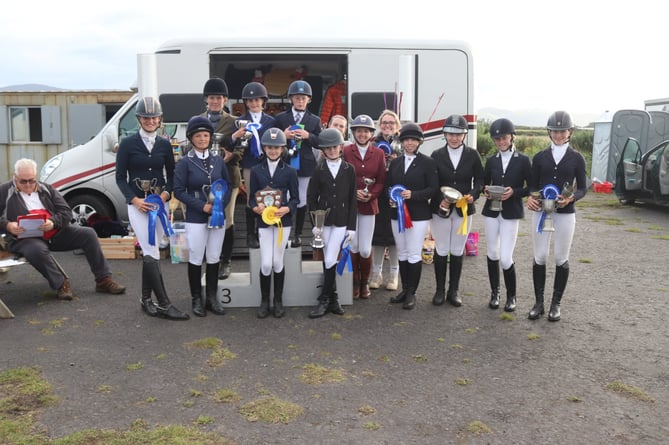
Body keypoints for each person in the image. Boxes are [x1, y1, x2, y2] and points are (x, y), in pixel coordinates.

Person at [0, 158, 126, 300]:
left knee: (88, 233)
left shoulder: (47, 189)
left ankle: (103, 280)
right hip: (24, 238)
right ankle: (61, 284)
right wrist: (8, 225)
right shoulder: (4, 191)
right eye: (23, 181)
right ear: (14, 177)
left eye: (32, 180)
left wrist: (53, 222)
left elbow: (66, 212)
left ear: (36, 177)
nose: (28, 185)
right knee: (36, 249)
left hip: (54, 233)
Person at [115, 96, 189, 320]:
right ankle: (164, 304)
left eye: (154, 117)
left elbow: (172, 173)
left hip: (159, 203)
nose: (150, 121)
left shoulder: (165, 144)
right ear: (139, 119)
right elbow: (120, 177)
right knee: (150, 251)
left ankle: (146, 299)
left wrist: (166, 193)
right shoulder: (127, 144)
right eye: (146, 117)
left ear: (160, 119)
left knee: (153, 250)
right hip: (138, 205)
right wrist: (134, 200)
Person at [526, 111, 587, 322]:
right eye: (555, 131)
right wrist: (531, 198)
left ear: (569, 132)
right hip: (542, 212)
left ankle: (556, 304)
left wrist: (571, 199)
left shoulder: (577, 158)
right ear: (549, 132)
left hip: (565, 214)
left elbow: (583, 189)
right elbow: (532, 185)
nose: (559, 135)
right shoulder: (540, 157)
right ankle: (539, 303)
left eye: (563, 131)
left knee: (561, 258)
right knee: (540, 256)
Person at [174, 116, 232, 317]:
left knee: (214, 256)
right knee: (197, 257)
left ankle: (212, 298)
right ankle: (196, 298)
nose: (202, 139)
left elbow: (228, 185)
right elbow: (179, 191)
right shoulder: (185, 163)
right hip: (196, 216)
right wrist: (202, 206)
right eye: (198, 136)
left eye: (206, 135)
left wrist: (221, 205)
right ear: (191, 138)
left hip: (217, 215)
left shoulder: (218, 160)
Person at [430, 114, 484, 308]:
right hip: (441, 208)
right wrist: (440, 201)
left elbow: (479, 180)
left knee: (457, 249)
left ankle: (454, 290)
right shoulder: (436, 155)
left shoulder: (472, 154)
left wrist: (473, 194)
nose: (454, 137)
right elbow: (432, 182)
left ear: (464, 134)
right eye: (451, 133)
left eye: (458, 134)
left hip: (463, 208)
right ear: (444, 134)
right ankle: (439, 290)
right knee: (442, 249)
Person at [481, 118, 532, 312]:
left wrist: (515, 192)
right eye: (497, 139)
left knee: (505, 257)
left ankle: (512, 296)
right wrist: (485, 190)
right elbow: (484, 183)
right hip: (491, 212)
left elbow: (531, 187)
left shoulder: (524, 160)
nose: (501, 141)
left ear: (512, 137)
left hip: (511, 212)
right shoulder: (491, 160)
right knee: (492, 253)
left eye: (504, 138)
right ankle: (495, 293)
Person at [386, 123, 438, 310]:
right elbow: (389, 186)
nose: (409, 143)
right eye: (406, 140)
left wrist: (413, 195)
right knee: (402, 252)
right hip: (396, 214)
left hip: (418, 215)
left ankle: (412, 293)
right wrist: (391, 199)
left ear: (419, 142)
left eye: (413, 140)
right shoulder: (396, 162)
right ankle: (404, 288)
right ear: (402, 141)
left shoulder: (428, 162)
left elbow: (432, 189)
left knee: (414, 252)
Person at [248, 128, 299, 318]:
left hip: (282, 222)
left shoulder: (291, 171)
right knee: (266, 263)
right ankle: (264, 301)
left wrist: (287, 209)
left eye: (277, 148)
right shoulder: (255, 170)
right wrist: (255, 208)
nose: (273, 151)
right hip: (263, 222)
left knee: (277, 261)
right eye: (269, 147)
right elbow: (252, 199)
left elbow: (295, 199)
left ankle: (278, 300)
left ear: (283, 149)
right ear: (264, 148)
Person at [307, 128, 357, 318]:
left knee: (329, 259)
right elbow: (312, 197)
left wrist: (352, 226)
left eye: (335, 147)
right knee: (327, 258)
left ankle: (324, 299)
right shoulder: (319, 169)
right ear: (323, 150)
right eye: (328, 148)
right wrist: (314, 222)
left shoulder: (349, 169)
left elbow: (353, 199)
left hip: (342, 221)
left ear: (340, 147)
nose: (332, 151)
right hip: (324, 221)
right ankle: (332, 298)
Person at [198, 77, 242, 280]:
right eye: (212, 98)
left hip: (228, 178)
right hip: (204, 179)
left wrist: (232, 155)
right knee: (206, 218)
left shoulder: (234, 122)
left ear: (225, 100)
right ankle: (210, 258)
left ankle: (226, 261)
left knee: (227, 219)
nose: (215, 101)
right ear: (206, 99)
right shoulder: (197, 120)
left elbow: (243, 149)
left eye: (219, 98)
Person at [342, 114, 386, 299]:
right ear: (353, 132)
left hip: (369, 205)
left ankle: (364, 282)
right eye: (359, 130)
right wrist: (354, 193)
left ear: (371, 133)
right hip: (350, 205)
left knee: (366, 248)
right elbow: (342, 177)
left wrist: (371, 194)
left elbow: (382, 180)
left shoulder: (379, 153)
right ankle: (354, 282)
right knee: (353, 246)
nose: (362, 134)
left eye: (366, 131)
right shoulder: (345, 151)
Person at [275, 80, 322, 248]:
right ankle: (284, 229)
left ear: (308, 100)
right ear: (291, 99)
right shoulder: (281, 118)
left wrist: (308, 135)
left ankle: (298, 233)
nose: (300, 101)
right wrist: (283, 135)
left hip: (305, 164)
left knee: (302, 199)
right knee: (284, 198)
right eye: (297, 98)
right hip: (285, 162)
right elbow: (272, 137)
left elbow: (320, 142)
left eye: (303, 98)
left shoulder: (315, 120)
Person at [231, 82, 276, 250]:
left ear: (263, 101)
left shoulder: (271, 121)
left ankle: (265, 228)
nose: (254, 104)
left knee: (268, 196)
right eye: (250, 101)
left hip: (267, 164)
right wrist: (235, 137)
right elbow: (230, 143)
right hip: (250, 164)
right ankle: (251, 233)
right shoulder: (240, 122)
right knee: (252, 198)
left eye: (257, 100)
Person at [370, 110, 402, 291]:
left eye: (391, 122)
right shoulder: (372, 142)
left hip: (397, 195)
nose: (388, 125)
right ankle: (376, 274)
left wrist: (396, 160)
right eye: (384, 122)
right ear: (379, 125)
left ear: (397, 126)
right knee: (378, 236)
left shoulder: (404, 143)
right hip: (377, 193)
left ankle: (394, 275)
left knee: (394, 237)